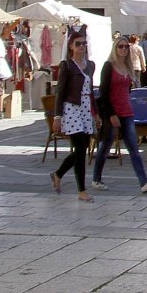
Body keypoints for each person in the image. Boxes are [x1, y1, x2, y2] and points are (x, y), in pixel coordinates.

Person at [91, 38, 147, 194]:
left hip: (127, 111)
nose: (123, 49)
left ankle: (144, 182)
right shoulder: (108, 66)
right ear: (115, 48)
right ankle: (96, 178)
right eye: (120, 46)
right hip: (113, 112)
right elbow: (104, 92)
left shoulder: (128, 66)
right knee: (105, 146)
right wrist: (110, 114)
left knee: (133, 148)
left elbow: (127, 90)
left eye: (126, 46)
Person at [49, 28, 99, 202]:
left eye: (84, 43)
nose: (82, 46)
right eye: (78, 44)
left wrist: (96, 113)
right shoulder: (67, 65)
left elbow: (91, 91)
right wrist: (57, 116)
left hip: (86, 106)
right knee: (79, 147)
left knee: (82, 149)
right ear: (71, 46)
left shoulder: (91, 65)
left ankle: (58, 174)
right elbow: (60, 92)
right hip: (71, 107)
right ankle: (81, 190)